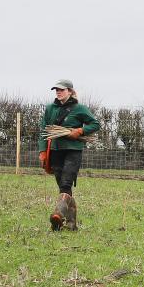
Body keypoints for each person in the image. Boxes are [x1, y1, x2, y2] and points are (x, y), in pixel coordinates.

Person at [38, 79, 100, 231]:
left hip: (73, 150)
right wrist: (42, 151)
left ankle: (58, 214)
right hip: (55, 150)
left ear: (70, 91)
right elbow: (43, 131)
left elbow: (95, 124)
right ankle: (71, 225)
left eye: (61, 90)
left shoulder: (79, 108)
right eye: (56, 90)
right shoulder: (49, 109)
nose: (58, 92)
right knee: (63, 187)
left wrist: (80, 131)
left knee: (66, 183)